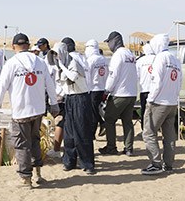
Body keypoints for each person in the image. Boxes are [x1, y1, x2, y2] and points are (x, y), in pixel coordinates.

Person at [0, 33, 59, 188]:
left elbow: (1, 88)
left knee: (21, 144)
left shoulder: (11, 64)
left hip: (21, 111)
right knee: (34, 141)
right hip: (38, 110)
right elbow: (50, 85)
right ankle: (38, 174)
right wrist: (54, 104)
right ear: (28, 45)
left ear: (14, 47)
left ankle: (25, 178)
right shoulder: (40, 62)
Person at [141, 34, 182, 176]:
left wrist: (150, 99)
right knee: (169, 135)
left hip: (159, 102)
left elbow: (156, 81)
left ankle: (155, 163)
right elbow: (179, 81)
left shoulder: (160, 58)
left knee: (149, 132)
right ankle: (168, 164)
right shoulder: (175, 60)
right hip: (172, 103)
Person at [56, 37, 95, 174]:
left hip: (80, 98)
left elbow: (73, 77)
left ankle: (87, 164)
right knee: (69, 132)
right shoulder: (77, 58)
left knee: (82, 132)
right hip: (71, 98)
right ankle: (69, 161)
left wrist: (61, 65)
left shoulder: (74, 60)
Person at [99, 31, 138, 156]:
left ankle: (111, 147)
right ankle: (129, 148)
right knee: (127, 121)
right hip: (131, 93)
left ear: (115, 41)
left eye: (109, 42)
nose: (108, 45)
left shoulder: (118, 55)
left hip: (120, 93)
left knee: (109, 119)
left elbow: (113, 75)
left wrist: (106, 91)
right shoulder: (130, 54)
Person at [85, 39, 108, 137]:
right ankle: (100, 126)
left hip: (93, 89)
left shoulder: (90, 60)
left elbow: (87, 76)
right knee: (97, 110)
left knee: (93, 112)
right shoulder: (104, 59)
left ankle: (93, 132)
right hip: (102, 88)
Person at [136, 42, 157, 130]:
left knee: (144, 111)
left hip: (144, 89)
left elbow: (136, 75)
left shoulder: (140, 61)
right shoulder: (158, 59)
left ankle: (144, 129)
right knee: (155, 111)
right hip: (156, 90)